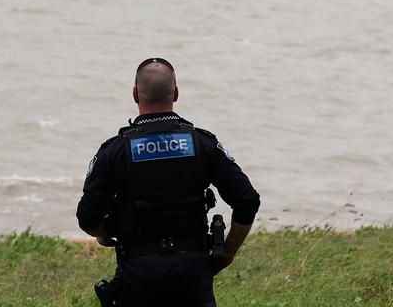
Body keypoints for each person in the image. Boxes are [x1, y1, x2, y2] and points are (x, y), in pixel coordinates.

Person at [76, 57, 261, 307]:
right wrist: (227, 252)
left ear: (135, 95)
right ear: (175, 93)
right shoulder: (202, 144)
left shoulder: (114, 152)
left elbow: (88, 217)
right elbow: (247, 200)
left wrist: (104, 234)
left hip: (138, 271)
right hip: (192, 269)